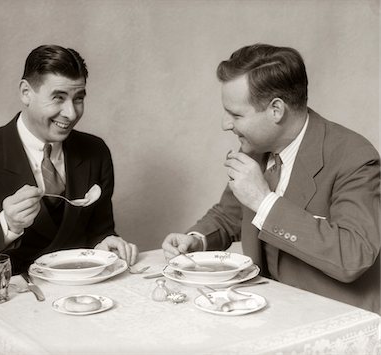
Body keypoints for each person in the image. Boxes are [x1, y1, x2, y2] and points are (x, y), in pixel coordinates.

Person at [162, 44, 380, 314]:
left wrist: (264, 201)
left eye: (236, 114)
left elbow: (354, 256)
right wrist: (196, 240)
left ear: (276, 110)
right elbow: (230, 214)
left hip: (334, 313)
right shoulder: (255, 146)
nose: (225, 124)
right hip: (266, 306)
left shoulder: (354, 156)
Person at [0, 44, 138, 285]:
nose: (71, 113)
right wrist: (7, 224)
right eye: (58, 98)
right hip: (9, 304)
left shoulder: (96, 152)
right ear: (25, 92)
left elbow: (99, 231)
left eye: (79, 98)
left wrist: (105, 243)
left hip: (78, 296)